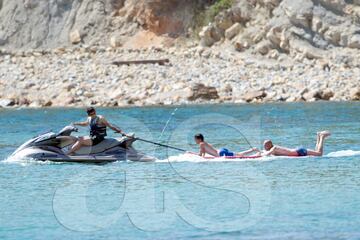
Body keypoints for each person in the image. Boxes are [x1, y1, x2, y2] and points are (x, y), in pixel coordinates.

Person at [261, 131, 331, 157]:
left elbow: (267, 154)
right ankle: (318, 136)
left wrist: (260, 155)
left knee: (319, 154)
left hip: (299, 152)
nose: (264, 147)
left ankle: (322, 137)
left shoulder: (274, 148)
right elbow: (266, 152)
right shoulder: (273, 149)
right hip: (298, 151)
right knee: (316, 152)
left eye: (265, 146)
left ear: (269, 145)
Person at [194, 133, 258, 157]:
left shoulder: (201, 144)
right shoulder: (204, 142)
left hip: (221, 154)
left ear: (199, 139)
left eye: (195, 139)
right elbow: (202, 153)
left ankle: (253, 150)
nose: (195, 141)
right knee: (238, 154)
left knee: (240, 154)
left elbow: (201, 155)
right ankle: (253, 150)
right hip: (221, 151)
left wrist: (192, 154)